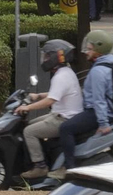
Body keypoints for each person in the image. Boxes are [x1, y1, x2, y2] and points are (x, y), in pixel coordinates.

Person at [49, 30, 113, 181]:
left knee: (65, 128)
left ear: (99, 50)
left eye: (90, 48)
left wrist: (103, 123)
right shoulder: (108, 64)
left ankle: (69, 168)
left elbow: (99, 100)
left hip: (96, 113)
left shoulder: (98, 71)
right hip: (102, 111)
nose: (87, 51)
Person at [15, 38, 82, 181]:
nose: (44, 59)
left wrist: (27, 107)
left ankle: (40, 166)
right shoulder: (66, 72)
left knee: (29, 132)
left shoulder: (61, 76)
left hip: (63, 119)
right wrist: (38, 95)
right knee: (30, 124)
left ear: (54, 57)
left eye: (46, 56)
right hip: (60, 115)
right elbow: (55, 94)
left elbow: (50, 101)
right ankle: (43, 155)